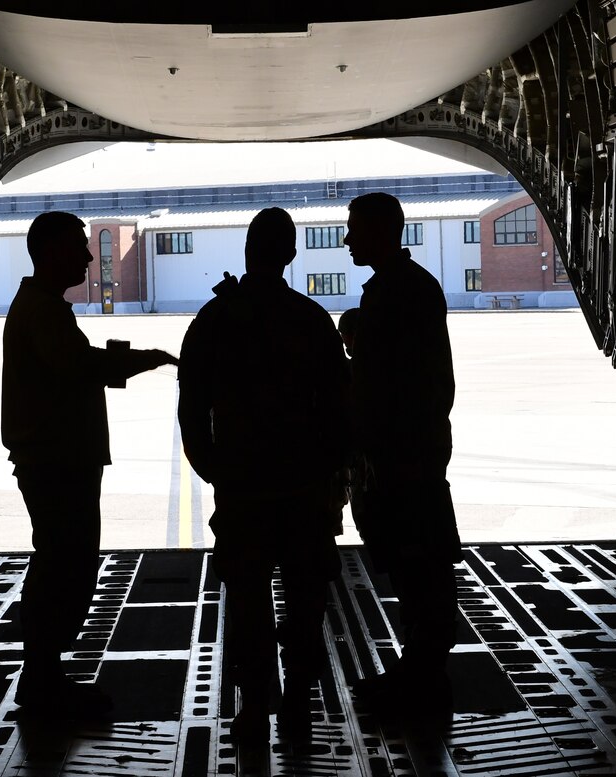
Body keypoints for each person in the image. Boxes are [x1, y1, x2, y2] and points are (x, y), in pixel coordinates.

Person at [177, 207, 350, 744]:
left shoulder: (214, 320)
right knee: (304, 604)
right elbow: (341, 406)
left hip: (244, 487)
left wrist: (212, 468)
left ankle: (254, 709)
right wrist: (332, 475)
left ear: (248, 252)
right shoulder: (312, 320)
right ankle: (297, 707)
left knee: (248, 604)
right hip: (302, 488)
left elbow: (191, 406)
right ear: (291, 255)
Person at [1, 211, 178, 719]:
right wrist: (149, 357)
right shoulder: (44, 312)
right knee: (63, 567)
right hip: (57, 465)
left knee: (60, 565)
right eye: (78, 247)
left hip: (58, 461)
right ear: (52, 252)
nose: (85, 256)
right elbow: (83, 367)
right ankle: (42, 682)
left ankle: (44, 677)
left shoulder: (42, 307)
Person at [342, 192, 462, 720]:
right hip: (410, 449)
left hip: (404, 453)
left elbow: (388, 378)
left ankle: (424, 681)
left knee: (419, 564)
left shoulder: (396, 293)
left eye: (354, 230)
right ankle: (419, 671)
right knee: (416, 565)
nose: (347, 239)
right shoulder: (408, 288)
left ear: (380, 232)